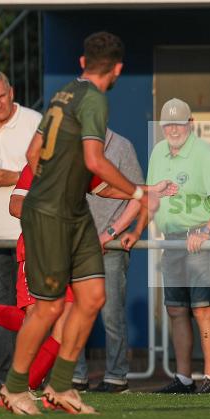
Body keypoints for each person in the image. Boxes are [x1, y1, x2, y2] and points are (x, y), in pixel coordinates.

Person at [0, 31, 153, 415]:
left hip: (73, 212)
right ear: (118, 69)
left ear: (83, 62)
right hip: (52, 215)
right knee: (50, 309)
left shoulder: (64, 93)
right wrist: (137, 193)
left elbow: (35, 153)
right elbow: (94, 161)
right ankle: (14, 389)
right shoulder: (96, 99)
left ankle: (61, 387)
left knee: (92, 297)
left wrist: (64, 185)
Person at [0, 164, 174, 398]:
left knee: (64, 327)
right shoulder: (39, 165)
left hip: (66, 254)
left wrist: (151, 189)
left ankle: (25, 388)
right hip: (36, 251)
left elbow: (110, 189)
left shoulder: (80, 164)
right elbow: (15, 206)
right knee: (37, 321)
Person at [148, 98, 210, 394]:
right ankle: (184, 378)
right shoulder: (159, 151)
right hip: (171, 241)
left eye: (179, 123)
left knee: (202, 310)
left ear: (190, 123)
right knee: (175, 310)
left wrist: (207, 232)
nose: (173, 129)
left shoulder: (203, 151)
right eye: (168, 124)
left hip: (198, 241)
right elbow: (150, 199)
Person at [0, 70, 42, 385]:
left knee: (36, 311)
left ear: (12, 91)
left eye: (2, 96)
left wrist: (14, 177)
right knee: (3, 310)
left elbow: (48, 170)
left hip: (27, 236)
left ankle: (35, 374)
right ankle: (4, 374)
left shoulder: (33, 121)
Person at [72, 129, 145, 394]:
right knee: (74, 312)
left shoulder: (122, 146)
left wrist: (109, 234)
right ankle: (76, 377)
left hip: (111, 246)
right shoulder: (71, 144)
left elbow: (138, 198)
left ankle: (116, 378)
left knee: (111, 313)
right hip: (77, 245)